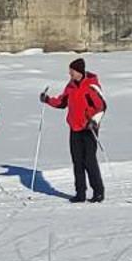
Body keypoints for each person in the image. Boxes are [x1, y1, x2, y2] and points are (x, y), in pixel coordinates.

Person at [41, 57, 106, 203]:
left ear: (79, 71)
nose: (69, 74)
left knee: (89, 161)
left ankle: (98, 191)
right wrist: (48, 100)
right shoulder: (70, 86)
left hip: (89, 128)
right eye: (70, 71)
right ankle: (80, 193)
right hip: (74, 127)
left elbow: (101, 106)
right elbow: (62, 102)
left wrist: (94, 121)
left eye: (72, 71)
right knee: (77, 161)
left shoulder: (91, 86)